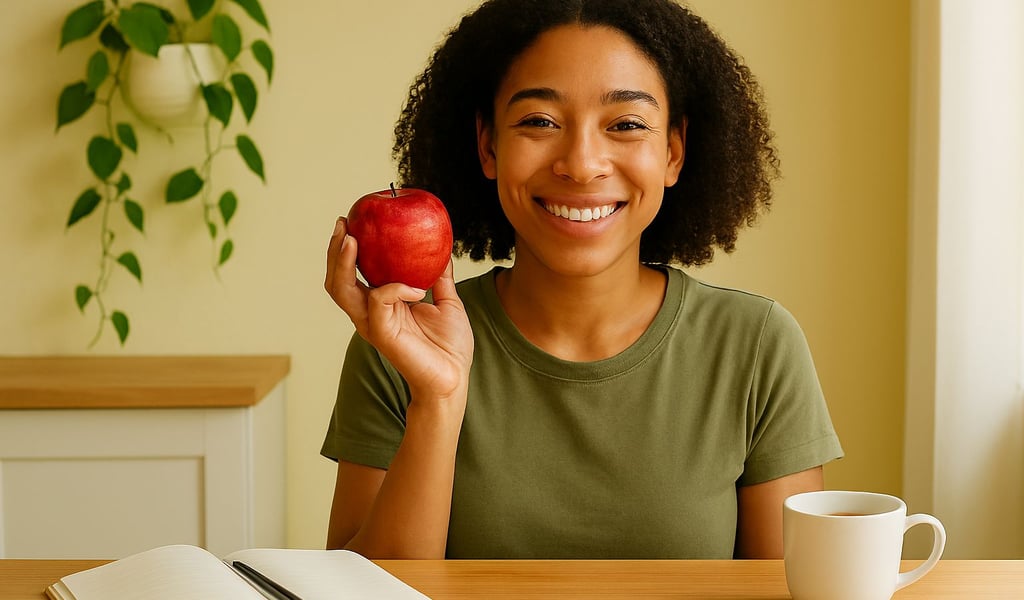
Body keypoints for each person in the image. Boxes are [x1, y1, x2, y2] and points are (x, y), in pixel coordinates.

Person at [322, 0, 843, 560]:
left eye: (625, 124)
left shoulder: (757, 345)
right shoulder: (401, 343)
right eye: (540, 122)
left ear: (673, 151)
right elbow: (364, 592)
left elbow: (789, 590)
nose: (582, 163)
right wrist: (437, 398)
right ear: (488, 145)